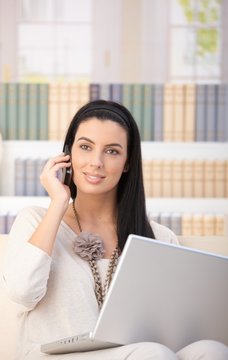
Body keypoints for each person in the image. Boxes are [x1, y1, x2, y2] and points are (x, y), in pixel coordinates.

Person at [2, 100, 228, 360]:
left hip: (132, 352)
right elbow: (22, 294)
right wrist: (58, 203)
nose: (96, 162)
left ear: (127, 162)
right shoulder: (35, 220)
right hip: (52, 356)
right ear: (68, 155)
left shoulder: (158, 237)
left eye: (112, 151)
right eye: (85, 147)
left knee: (212, 350)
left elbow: (174, 321)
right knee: (153, 354)